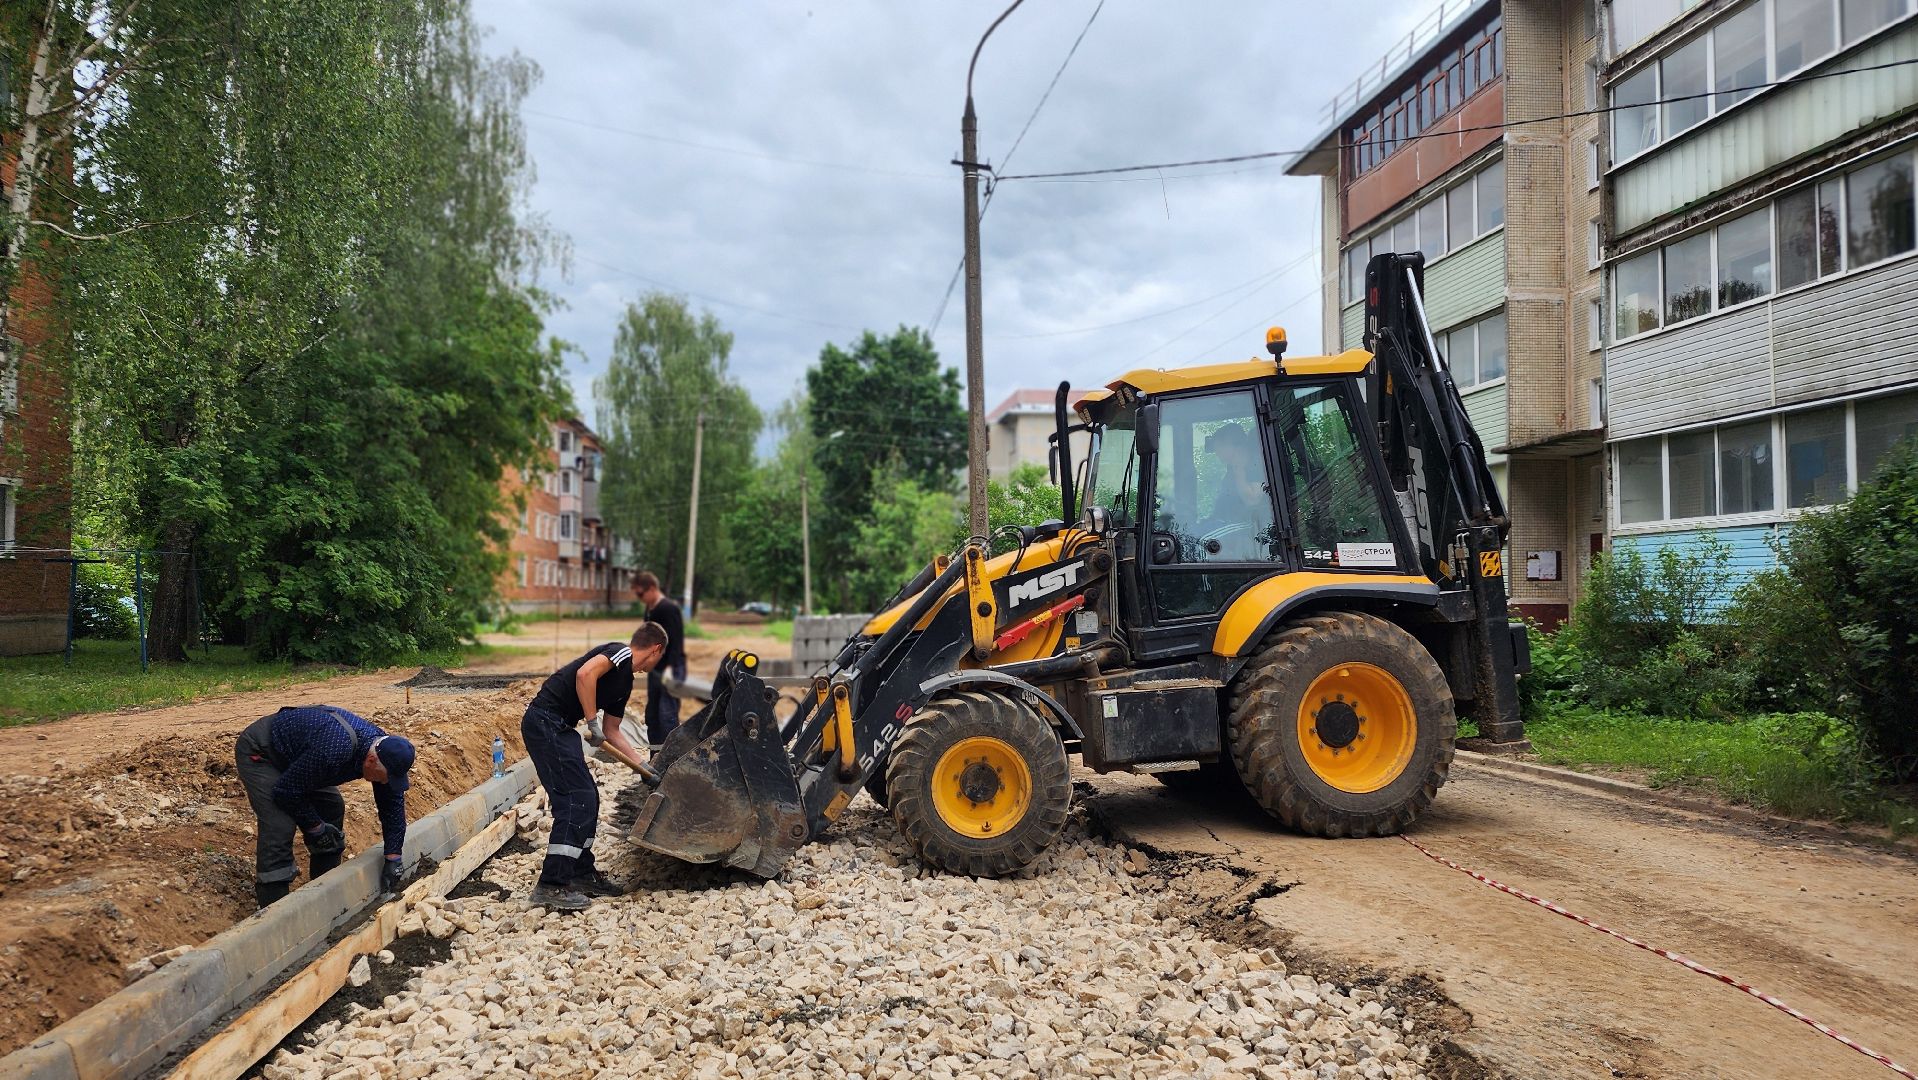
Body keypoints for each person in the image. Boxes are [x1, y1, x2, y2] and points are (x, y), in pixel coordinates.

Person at [521, 622, 666, 911]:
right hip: (545, 721)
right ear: (655, 649)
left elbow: (612, 730)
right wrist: (591, 720)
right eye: (660, 657)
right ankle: (551, 884)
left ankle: (580, 871)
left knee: (589, 796)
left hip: (561, 728)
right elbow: (585, 674)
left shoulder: (624, 685)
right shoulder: (620, 653)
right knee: (575, 799)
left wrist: (643, 767)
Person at [234, 706, 416, 909]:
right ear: (371, 760)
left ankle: (322, 892)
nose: (385, 783)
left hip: (303, 757)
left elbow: (392, 806)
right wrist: (315, 827)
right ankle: (274, 909)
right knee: (280, 824)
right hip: (264, 752)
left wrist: (393, 857)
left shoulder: (384, 752)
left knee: (331, 807)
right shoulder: (334, 750)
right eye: (385, 777)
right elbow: (286, 791)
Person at [632, 571, 686, 746]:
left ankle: (672, 756)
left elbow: (676, 642)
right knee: (652, 715)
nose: (639, 598)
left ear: (652, 588)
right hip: (656, 667)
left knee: (667, 714)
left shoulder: (669, 608)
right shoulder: (650, 609)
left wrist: (670, 667)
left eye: (641, 594)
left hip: (671, 667)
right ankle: (655, 755)